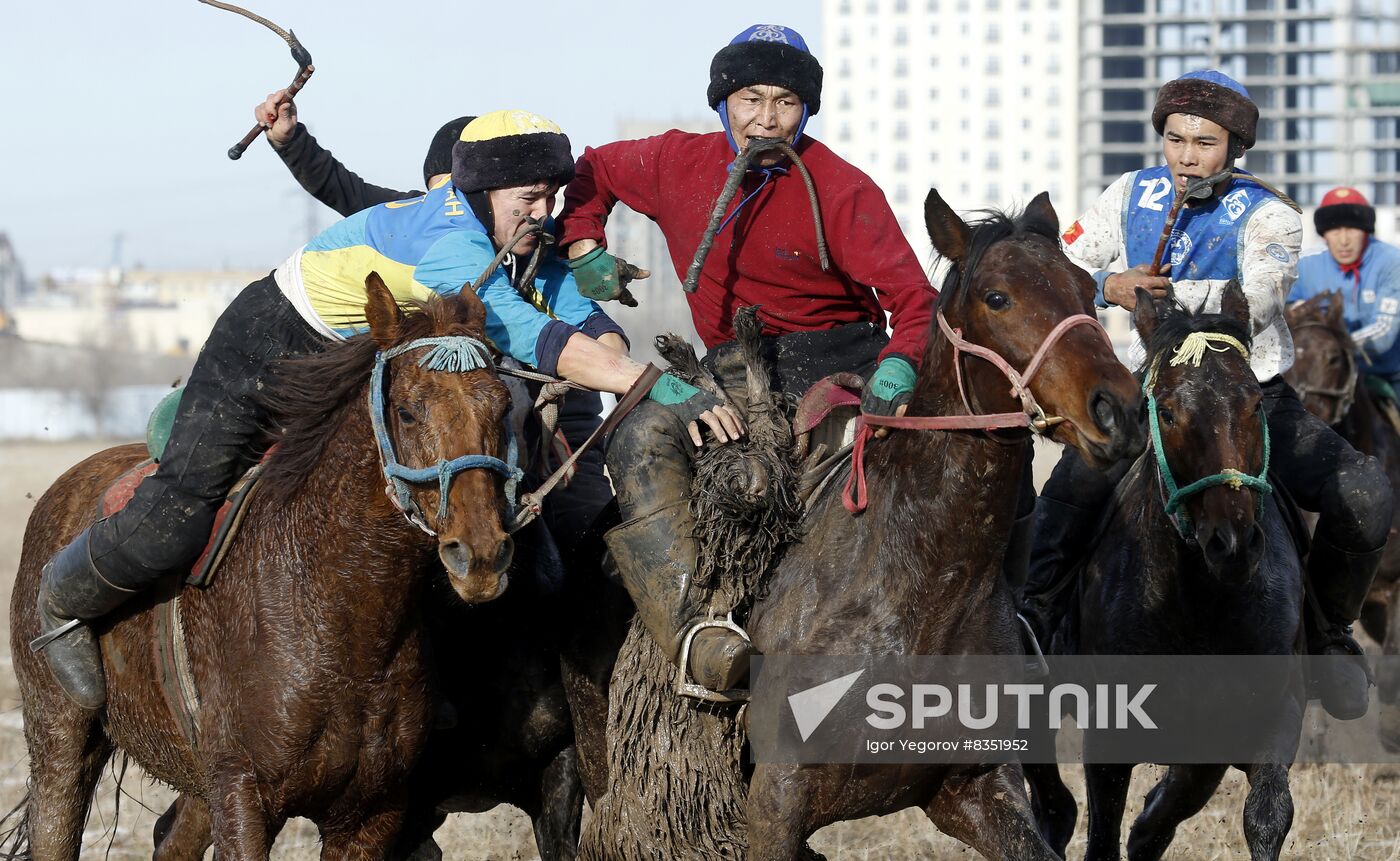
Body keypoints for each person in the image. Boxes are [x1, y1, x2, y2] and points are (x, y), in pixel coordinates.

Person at [32, 110, 743, 710]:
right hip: (275, 342)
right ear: (486, 189)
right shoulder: (452, 244)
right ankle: (61, 603)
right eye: (531, 196)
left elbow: (581, 319)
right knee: (175, 516)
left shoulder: (516, 230)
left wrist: (621, 357)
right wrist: (654, 385)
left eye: (553, 196)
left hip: (362, 362)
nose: (544, 212)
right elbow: (534, 335)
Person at [552, 24, 962, 696]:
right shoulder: (671, 162)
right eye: (750, 98)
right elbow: (591, 168)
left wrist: (900, 367)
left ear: (807, 110)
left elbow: (914, 301)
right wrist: (583, 245)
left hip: (837, 362)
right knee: (638, 434)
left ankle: (1004, 624)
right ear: (723, 101)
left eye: (786, 102)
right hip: (730, 367)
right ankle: (695, 632)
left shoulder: (843, 187)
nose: (767, 119)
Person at [1024, 70, 1393, 719]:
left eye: (1205, 142)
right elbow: (1061, 259)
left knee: (1364, 493)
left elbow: (1256, 299)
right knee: (1064, 496)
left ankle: (1329, 632)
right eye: (1175, 138)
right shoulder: (1128, 194)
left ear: (1235, 147)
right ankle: (1038, 628)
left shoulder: (1272, 214)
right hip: (1150, 393)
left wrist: (1147, 296)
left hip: (1249, 395)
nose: (1186, 155)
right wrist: (1109, 283)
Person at [1290, 187, 1400, 386]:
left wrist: (1333, 347)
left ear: (1366, 232)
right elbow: (1284, 315)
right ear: (1324, 234)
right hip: (1318, 377)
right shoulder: (1304, 265)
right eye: (1334, 229)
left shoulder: (1392, 261)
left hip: (1384, 374)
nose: (1344, 240)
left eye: (1352, 229)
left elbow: (1384, 331)